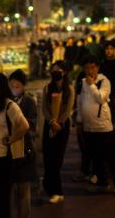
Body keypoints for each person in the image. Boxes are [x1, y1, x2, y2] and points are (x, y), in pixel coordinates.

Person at [0, 73, 29, 218]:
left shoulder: (10, 105)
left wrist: (11, 139)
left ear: (1, 86)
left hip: (2, 159)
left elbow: (24, 126)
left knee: (2, 198)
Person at [75, 56, 115, 195]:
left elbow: (101, 98)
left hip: (103, 126)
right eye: (86, 68)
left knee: (110, 155)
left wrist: (91, 85)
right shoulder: (82, 82)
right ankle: (102, 182)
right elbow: (79, 103)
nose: (89, 70)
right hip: (88, 127)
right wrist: (79, 120)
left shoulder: (104, 81)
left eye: (92, 67)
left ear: (97, 68)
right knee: (95, 156)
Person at [41, 61, 75, 204]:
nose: (55, 72)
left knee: (57, 159)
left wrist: (59, 123)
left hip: (62, 126)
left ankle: (56, 191)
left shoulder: (70, 89)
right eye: (53, 69)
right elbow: (44, 108)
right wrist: (51, 122)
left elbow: (68, 109)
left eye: (58, 70)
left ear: (64, 72)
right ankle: (52, 190)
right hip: (49, 125)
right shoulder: (46, 88)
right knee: (48, 157)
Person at [8, 70, 37, 218]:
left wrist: (18, 119)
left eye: (17, 86)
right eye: (11, 85)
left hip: (25, 152)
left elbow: (31, 125)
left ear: (23, 86)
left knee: (23, 193)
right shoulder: (5, 101)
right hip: (9, 153)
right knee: (8, 192)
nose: (14, 88)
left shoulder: (29, 102)